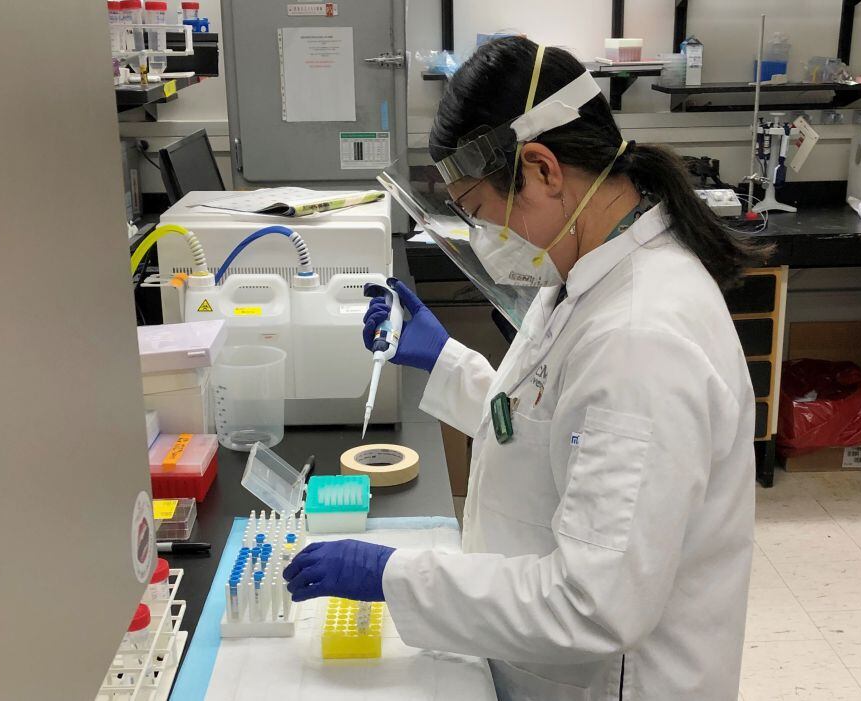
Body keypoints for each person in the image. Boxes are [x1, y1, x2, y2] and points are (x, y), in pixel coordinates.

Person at [284, 37, 765, 700]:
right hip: (539, 663)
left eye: (480, 213)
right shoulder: (586, 274)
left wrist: (396, 576)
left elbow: (591, 604)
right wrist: (444, 361)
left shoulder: (641, 337)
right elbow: (549, 428)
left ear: (541, 168)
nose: (486, 239)